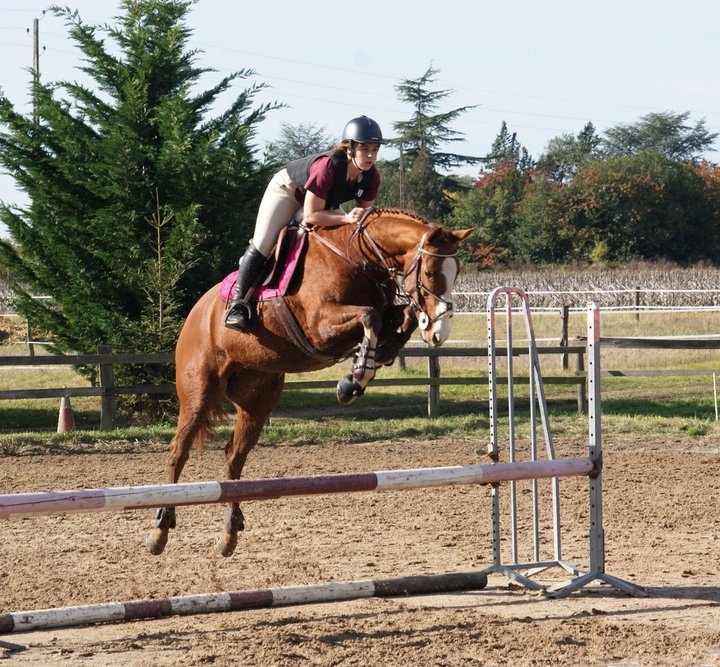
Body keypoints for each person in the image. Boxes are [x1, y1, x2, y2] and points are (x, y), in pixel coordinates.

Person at [224, 115, 385, 331]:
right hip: (288, 191)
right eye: (365, 149)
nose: (370, 155)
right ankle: (238, 305)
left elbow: (363, 219)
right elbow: (310, 216)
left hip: (322, 202)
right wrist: (346, 218)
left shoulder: (371, 176)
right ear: (350, 148)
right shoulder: (327, 167)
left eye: (375, 150)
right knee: (264, 241)